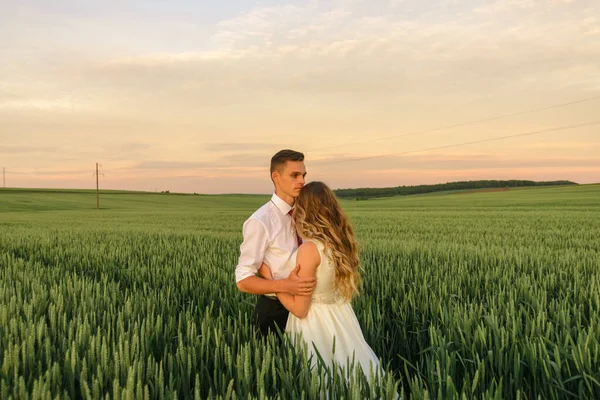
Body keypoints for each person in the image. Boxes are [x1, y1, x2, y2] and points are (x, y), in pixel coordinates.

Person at [258, 181, 382, 378]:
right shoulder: (340, 243)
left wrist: (271, 280)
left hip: (313, 325)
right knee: (349, 372)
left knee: (320, 378)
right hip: (339, 317)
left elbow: (300, 309)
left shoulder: (309, 250)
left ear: (304, 211)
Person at [235, 149, 317, 337]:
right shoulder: (260, 221)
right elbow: (243, 280)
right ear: (276, 177)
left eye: (303, 175)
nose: (302, 181)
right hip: (275, 312)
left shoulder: (309, 215)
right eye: (294, 175)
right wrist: (284, 286)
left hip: (311, 308)